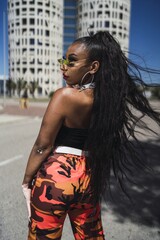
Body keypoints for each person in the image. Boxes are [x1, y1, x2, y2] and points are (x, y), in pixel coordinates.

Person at [22, 31, 160, 240]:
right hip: (89, 180)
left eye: (72, 61)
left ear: (93, 67)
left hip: (55, 179)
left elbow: (43, 145)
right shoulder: (110, 102)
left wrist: (26, 180)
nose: (64, 66)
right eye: (64, 60)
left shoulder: (64, 96)